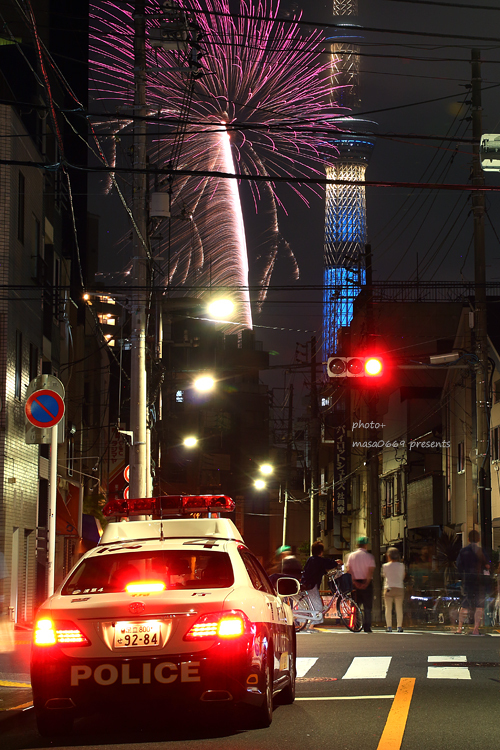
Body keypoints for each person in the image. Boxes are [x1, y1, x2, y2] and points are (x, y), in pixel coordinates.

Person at [455, 529, 489, 635]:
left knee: (465, 603)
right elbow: (487, 565)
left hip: (468, 580)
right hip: (479, 581)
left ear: (468, 539)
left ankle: (459, 628)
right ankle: (476, 628)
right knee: (479, 605)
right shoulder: (481, 551)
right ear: (479, 539)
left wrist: (464, 574)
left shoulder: (463, 551)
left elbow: (458, 565)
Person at [301, 541, 339, 631]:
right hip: (311, 586)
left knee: (305, 605)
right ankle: (311, 626)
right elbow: (331, 563)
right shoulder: (319, 560)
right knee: (317, 606)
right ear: (321, 552)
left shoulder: (310, 560)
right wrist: (337, 562)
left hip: (304, 584)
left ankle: (302, 624)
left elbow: (319, 570)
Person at [346, 536, 375, 633]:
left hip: (354, 583)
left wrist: (354, 582)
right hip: (366, 583)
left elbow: (349, 570)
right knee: (367, 607)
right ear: (366, 545)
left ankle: (356, 625)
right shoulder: (369, 556)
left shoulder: (351, 556)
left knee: (355, 605)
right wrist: (366, 583)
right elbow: (370, 571)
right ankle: (367, 627)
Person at [382, 547, 406, 632]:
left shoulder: (385, 566)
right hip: (399, 587)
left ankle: (389, 627)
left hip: (388, 587)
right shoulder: (402, 566)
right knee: (399, 608)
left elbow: (384, 575)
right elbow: (403, 576)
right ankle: (399, 627)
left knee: (388, 608)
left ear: (388, 556)